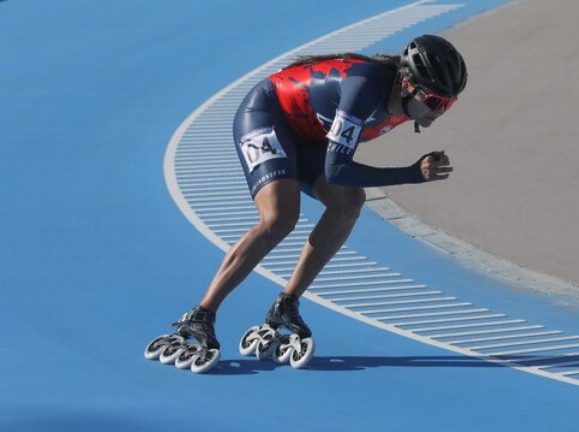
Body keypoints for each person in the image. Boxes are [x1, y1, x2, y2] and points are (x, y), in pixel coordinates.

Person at [145, 34, 468, 372]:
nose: (438, 112)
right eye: (433, 101)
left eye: (448, 105)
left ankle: (286, 304)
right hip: (267, 115)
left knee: (349, 203)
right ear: (406, 82)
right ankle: (200, 315)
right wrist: (411, 174)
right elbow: (338, 168)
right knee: (280, 218)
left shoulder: (407, 100)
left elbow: (336, 162)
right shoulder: (364, 88)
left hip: (308, 133)